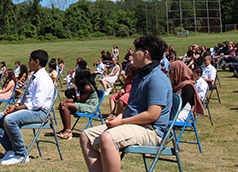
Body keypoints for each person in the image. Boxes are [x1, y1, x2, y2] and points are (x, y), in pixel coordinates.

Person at [80, 35, 173, 172]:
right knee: (86, 136)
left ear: (145, 53)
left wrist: (122, 122)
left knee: (107, 138)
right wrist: (118, 117)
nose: (133, 55)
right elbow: (131, 106)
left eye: (136, 51)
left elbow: (152, 115)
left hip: (152, 130)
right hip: (134, 125)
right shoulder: (138, 78)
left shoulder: (157, 79)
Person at [0, 50, 55, 165]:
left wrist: (16, 109)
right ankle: (11, 150)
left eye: (30, 60)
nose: (28, 63)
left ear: (37, 62)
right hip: (27, 109)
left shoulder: (43, 79)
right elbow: (25, 95)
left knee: (10, 120)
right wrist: (16, 105)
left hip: (39, 112)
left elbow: (37, 104)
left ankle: (21, 154)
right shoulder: (33, 76)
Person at [56, 68, 98, 140]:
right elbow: (77, 100)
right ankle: (65, 128)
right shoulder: (83, 86)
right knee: (62, 104)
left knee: (66, 106)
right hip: (84, 103)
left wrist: (77, 91)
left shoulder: (87, 87)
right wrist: (66, 100)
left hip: (89, 106)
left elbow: (79, 100)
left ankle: (68, 131)